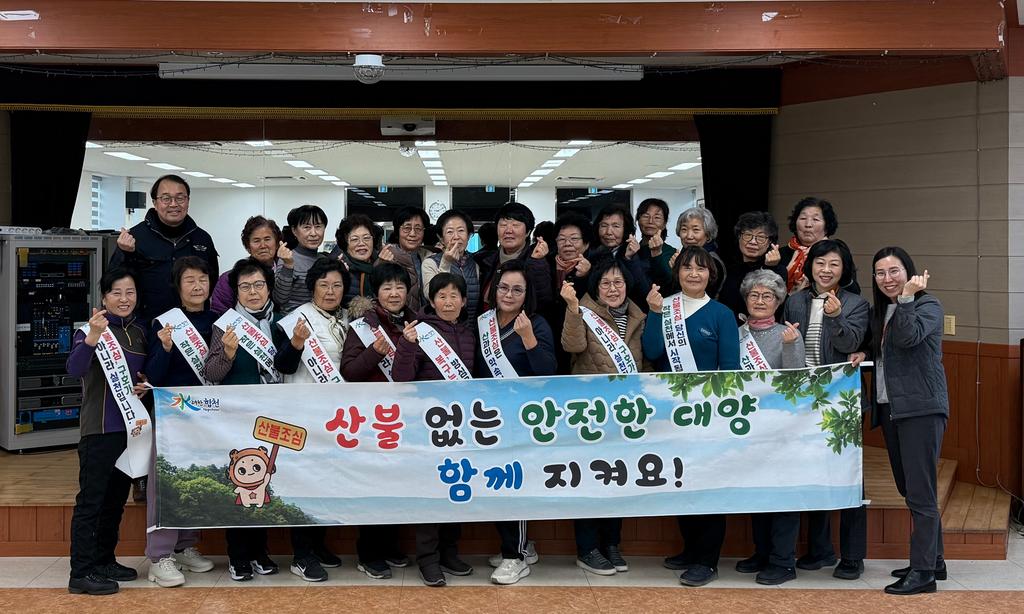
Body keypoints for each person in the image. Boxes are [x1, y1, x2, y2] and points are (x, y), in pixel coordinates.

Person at [642, 246, 740, 587]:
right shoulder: (664, 307)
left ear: (711, 275)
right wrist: (655, 314)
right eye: (687, 268)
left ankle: (707, 560)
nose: (694, 274)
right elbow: (652, 351)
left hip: (708, 414)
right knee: (680, 480)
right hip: (669, 414)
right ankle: (690, 549)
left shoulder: (722, 314)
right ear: (678, 273)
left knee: (708, 485)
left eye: (701, 268)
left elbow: (730, 369)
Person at [858, 248, 948, 596]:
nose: (887, 279)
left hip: (921, 409)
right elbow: (882, 350)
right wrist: (863, 353)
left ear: (908, 272)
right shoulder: (880, 312)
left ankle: (923, 573)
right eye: (880, 273)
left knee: (921, 492)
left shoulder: (927, 306)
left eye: (894, 271)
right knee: (910, 488)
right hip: (892, 410)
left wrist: (908, 299)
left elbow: (908, 338)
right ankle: (934, 560)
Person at [783, 238, 870, 581]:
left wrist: (835, 317)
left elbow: (850, 343)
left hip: (841, 401)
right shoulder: (795, 301)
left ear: (844, 269)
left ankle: (853, 556)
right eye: (820, 263)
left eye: (834, 264)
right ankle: (820, 550)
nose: (826, 270)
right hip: (803, 403)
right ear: (810, 266)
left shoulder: (856, 304)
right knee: (812, 473)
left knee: (849, 476)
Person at [559, 258, 647, 576]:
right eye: (605, 283)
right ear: (596, 288)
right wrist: (572, 309)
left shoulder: (639, 316)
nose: (612, 289)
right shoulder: (583, 311)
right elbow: (572, 345)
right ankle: (588, 548)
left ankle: (611, 543)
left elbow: (646, 362)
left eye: (618, 282)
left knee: (617, 479)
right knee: (589, 480)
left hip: (625, 414)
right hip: (590, 414)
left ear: (627, 286)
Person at [66, 268, 149, 595]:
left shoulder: (139, 332)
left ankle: (104, 560)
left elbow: (141, 374)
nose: (124, 299)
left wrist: (145, 384)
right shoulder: (92, 328)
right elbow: (74, 368)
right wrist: (92, 338)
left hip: (131, 431)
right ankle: (81, 572)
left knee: (115, 501)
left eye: (130, 292)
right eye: (117, 293)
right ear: (104, 297)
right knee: (92, 502)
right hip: (99, 430)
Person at [474, 261, 557, 585]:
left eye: (517, 290)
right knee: (496, 485)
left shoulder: (535, 323)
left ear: (527, 294)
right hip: (488, 419)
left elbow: (547, 372)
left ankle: (516, 556)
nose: (509, 295)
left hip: (520, 420)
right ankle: (520, 546)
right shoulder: (483, 322)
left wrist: (528, 339)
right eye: (504, 288)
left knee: (512, 485)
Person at [205, 258, 287, 582]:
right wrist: (226, 354)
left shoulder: (281, 323)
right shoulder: (225, 325)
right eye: (245, 286)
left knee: (265, 483)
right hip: (237, 418)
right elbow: (211, 372)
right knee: (241, 486)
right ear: (236, 291)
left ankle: (260, 552)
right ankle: (238, 556)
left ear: (268, 288)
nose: (253, 292)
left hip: (272, 416)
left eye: (259, 285)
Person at [392, 273, 476, 587]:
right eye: (442, 296)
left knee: (457, 489)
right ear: (432, 301)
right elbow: (401, 378)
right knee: (430, 492)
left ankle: (449, 553)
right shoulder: (421, 332)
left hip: (461, 425)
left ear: (464, 301)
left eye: (454, 296)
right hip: (428, 426)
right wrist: (406, 344)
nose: (448, 302)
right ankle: (428, 559)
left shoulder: (469, 333)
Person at [272, 256, 348, 581]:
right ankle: (301, 555)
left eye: (337, 285)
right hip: (302, 414)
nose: (330, 291)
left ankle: (317, 545)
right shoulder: (295, 319)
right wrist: (296, 344)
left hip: (334, 417)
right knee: (303, 484)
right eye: (323, 285)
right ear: (312, 287)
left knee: (326, 483)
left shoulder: (345, 318)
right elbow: (283, 365)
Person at [144, 257, 217, 587]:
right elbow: (153, 377)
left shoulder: (218, 322)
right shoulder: (165, 324)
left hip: (205, 416)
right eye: (190, 280)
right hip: (171, 414)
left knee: (193, 477)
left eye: (203, 278)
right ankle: (159, 556)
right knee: (165, 483)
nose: (197, 286)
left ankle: (185, 546)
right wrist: (165, 347)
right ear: (178, 285)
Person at [730, 270, 805, 586]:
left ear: (778, 301)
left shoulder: (788, 333)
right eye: (754, 295)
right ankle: (762, 553)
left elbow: (797, 381)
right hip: (748, 427)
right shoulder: (736, 334)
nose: (760, 301)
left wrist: (790, 346)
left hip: (781, 428)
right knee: (757, 491)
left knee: (782, 492)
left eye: (767, 296)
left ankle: (783, 561)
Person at [342, 263, 416, 579]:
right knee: (373, 485)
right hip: (373, 419)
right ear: (377, 293)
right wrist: (374, 352)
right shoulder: (363, 326)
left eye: (399, 287)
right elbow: (349, 371)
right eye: (387, 287)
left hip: (406, 417)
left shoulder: (417, 322)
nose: (394, 293)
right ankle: (369, 553)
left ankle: (389, 546)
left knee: (398, 484)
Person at [109, 174, 219, 321]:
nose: (173, 204)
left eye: (180, 198)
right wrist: (124, 253)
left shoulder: (202, 238)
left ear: (188, 201)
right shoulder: (135, 238)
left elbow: (212, 281)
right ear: (155, 203)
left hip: (194, 325)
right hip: (147, 324)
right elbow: (113, 282)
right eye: (166, 198)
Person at [474, 202, 553, 315]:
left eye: (515, 225)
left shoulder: (537, 261)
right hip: (487, 324)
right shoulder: (486, 262)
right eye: (503, 225)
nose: (508, 230)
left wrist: (537, 263)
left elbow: (543, 303)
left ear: (528, 232)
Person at [778, 197, 859, 294]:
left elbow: (854, 291)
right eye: (803, 218)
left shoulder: (837, 253)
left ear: (826, 226)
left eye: (815, 219)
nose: (808, 224)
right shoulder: (779, 255)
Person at [545, 213, 594, 373]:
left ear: (586, 244)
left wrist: (584, 277)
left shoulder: (595, 268)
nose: (567, 244)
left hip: (581, 338)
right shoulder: (546, 264)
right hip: (550, 335)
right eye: (562, 239)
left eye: (574, 239)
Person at [718, 211, 787, 322]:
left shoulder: (778, 270)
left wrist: (771, 268)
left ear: (770, 242)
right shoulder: (729, 269)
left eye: (760, 237)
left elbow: (776, 309)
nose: (753, 242)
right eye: (748, 235)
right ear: (739, 237)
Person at [211, 215, 283, 315]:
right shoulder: (228, 278)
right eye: (256, 241)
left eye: (267, 239)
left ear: (277, 243)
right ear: (248, 247)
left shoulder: (288, 271)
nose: (263, 245)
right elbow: (219, 314)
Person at [422, 209, 482, 321]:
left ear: (469, 235)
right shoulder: (430, 263)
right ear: (441, 238)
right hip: (441, 329)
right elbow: (429, 294)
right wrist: (446, 263)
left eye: (461, 231)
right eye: (450, 232)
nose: (456, 237)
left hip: (470, 329)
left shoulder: (475, 264)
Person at [589, 203, 650, 310]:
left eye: (616, 226)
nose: (608, 232)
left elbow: (644, 292)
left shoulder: (639, 253)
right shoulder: (591, 254)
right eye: (604, 226)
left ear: (626, 230)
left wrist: (629, 259)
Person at [273, 205, 329, 314]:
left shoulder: (324, 260)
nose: (313, 233)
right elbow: (279, 299)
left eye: (318, 226)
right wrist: (288, 266)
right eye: (307, 227)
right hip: (295, 321)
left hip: (322, 320)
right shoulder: (288, 258)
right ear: (294, 231)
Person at [378, 206, 432, 312]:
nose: (412, 234)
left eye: (418, 229)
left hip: (427, 318)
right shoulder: (386, 257)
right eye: (407, 228)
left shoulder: (430, 258)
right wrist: (381, 264)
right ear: (397, 230)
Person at [671, 207, 725, 299]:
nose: (689, 236)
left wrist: (678, 269)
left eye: (696, 230)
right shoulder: (682, 256)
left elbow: (696, 296)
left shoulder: (713, 261)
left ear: (708, 234)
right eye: (684, 229)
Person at [330, 214, 381, 309]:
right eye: (354, 239)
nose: (361, 243)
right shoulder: (336, 268)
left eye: (366, 238)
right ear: (345, 244)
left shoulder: (380, 264)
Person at [635, 197, 676, 289]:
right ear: (638, 220)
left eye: (657, 217)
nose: (650, 221)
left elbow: (667, 283)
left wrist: (657, 254)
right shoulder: (632, 251)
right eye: (646, 216)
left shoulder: (671, 253)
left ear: (664, 224)